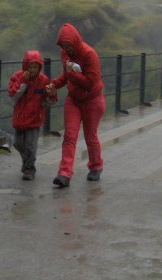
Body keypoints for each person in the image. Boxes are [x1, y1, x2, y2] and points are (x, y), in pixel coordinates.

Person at [45, 23, 105, 188]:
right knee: (69, 136)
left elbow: (90, 83)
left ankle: (96, 166)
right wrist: (54, 85)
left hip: (92, 99)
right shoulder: (65, 54)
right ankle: (64, 173)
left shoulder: (89, 55)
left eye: (68, 45)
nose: (66, 49)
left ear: (76, 41)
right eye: (63, 46)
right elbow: (66, 76)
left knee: (90, 136)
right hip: (73, 100)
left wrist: (71, 73)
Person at [8, 50, 56, 180]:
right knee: (18, 143)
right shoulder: (17, 77)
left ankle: (29, 169)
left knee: (31, 145)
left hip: (34, 118)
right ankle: (27, 163)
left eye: (35, 67)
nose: (33, 70)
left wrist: (51, 95)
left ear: (39, 67)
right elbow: (13, 96)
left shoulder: (43, 80)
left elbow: (48, 101)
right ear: (25, 66)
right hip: (20, 117)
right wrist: (23, 82)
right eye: (30, 67)